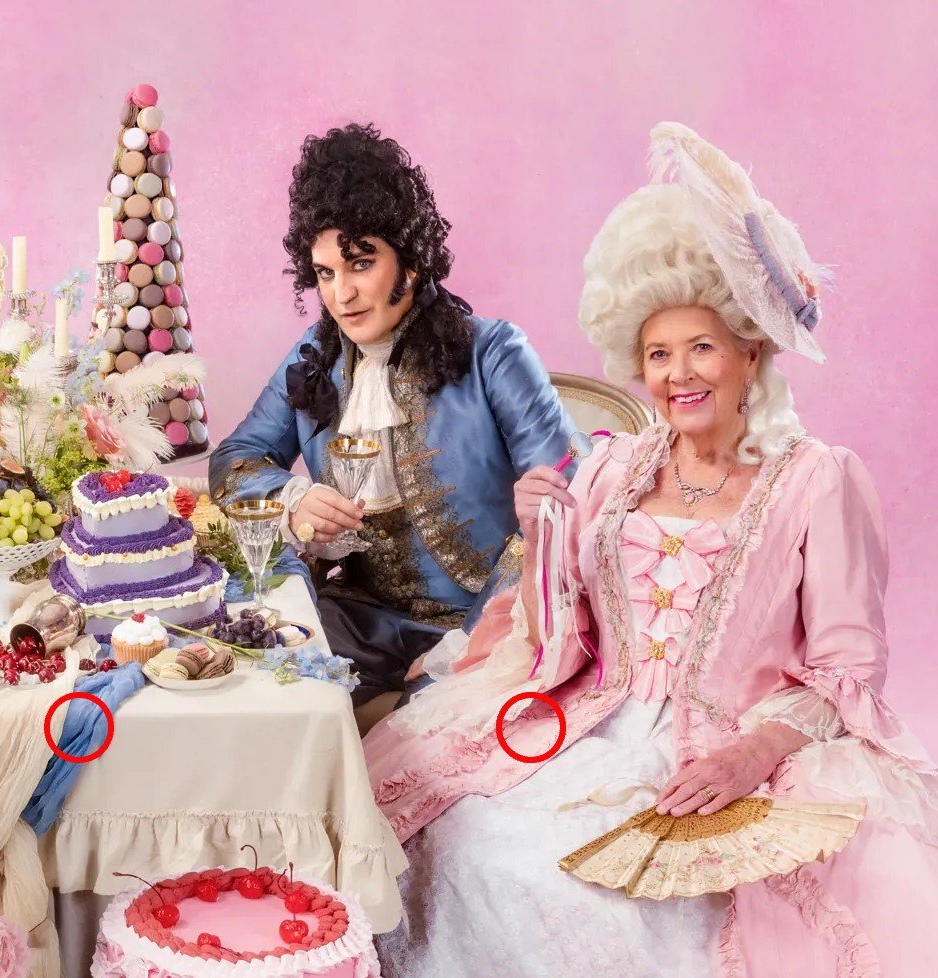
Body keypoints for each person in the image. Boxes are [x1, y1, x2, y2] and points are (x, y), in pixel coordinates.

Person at [366, 123, 938, 977]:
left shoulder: (818, 480)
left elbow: (847, 667)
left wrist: (754, 751)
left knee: (613, 892)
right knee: (464, 835)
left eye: (701, 347)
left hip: (732, 742)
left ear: (750, 352)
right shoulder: (615, 467)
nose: (678, 374)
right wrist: (541, 534)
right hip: (593, 723)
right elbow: (562, 634)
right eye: (659, 354)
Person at [210, 123, 573, 728]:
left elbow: (559, 510)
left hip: (485, 620)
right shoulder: (315, 358)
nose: (342, 294)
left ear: (410, 255)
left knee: (426, 741)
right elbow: (235, 457)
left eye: (360, 263)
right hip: (357, 619)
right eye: (325, 273)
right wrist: (291, 498)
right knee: (254, 702)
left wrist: (467, 642)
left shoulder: (494, 353)